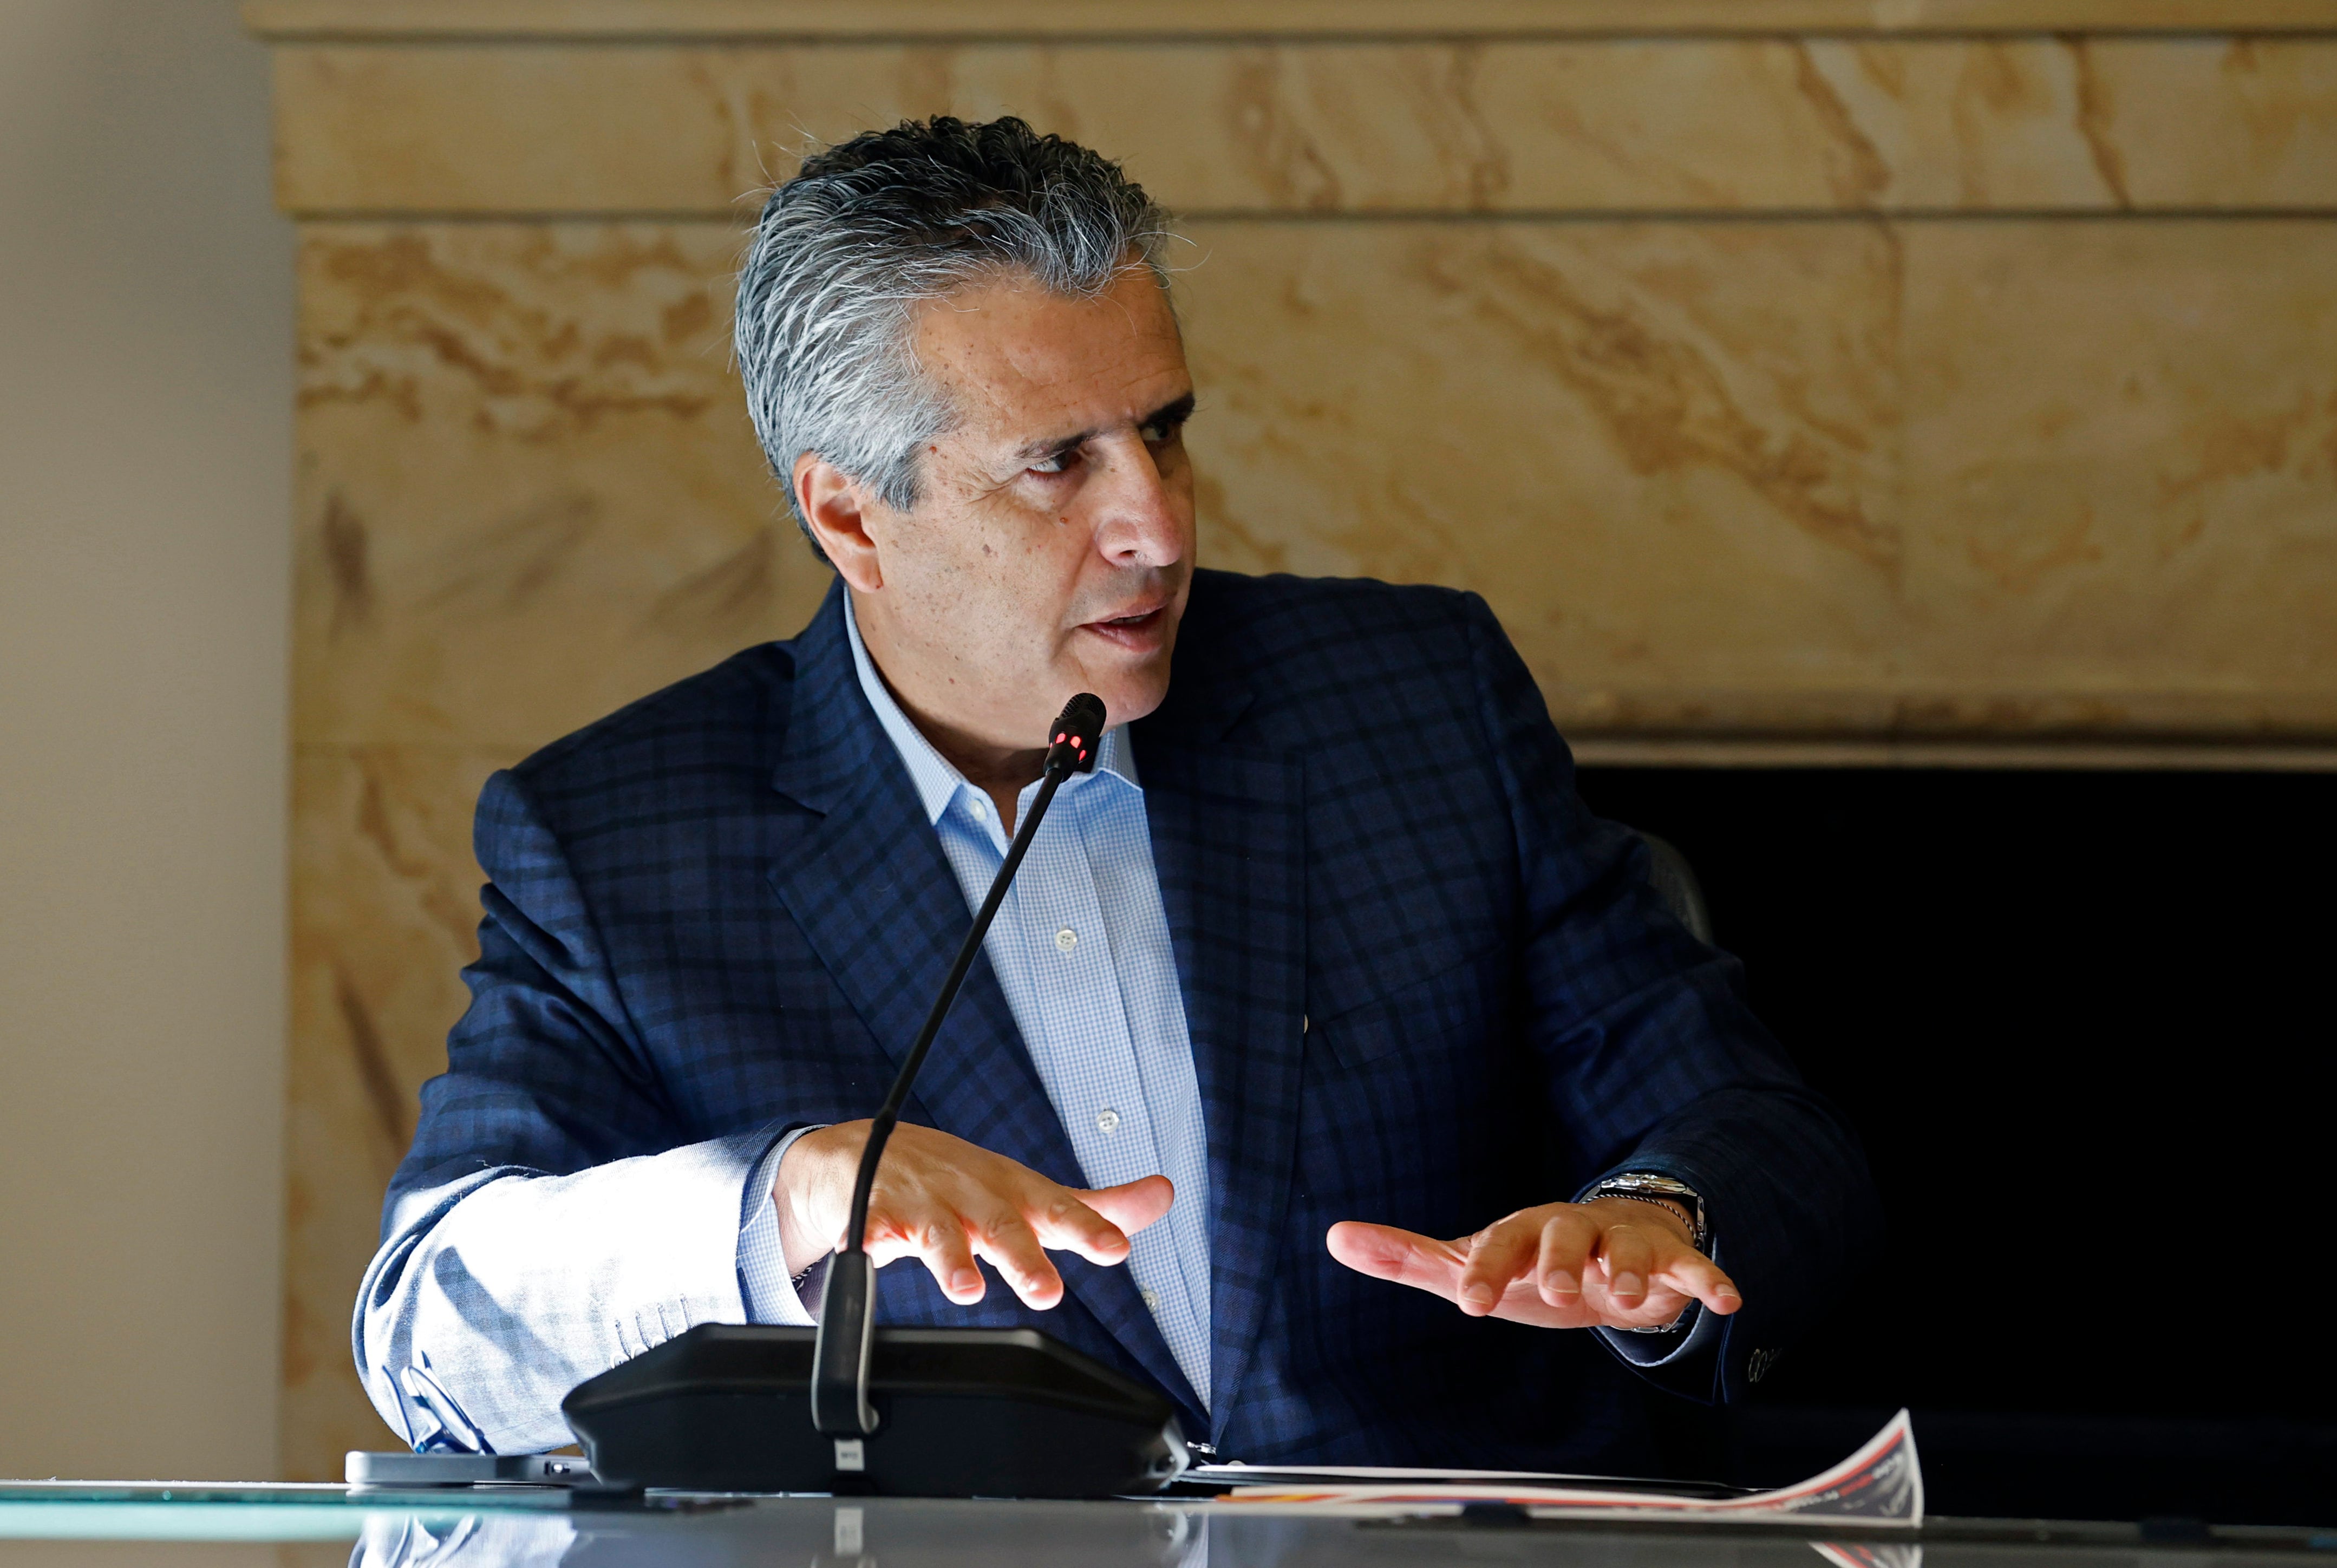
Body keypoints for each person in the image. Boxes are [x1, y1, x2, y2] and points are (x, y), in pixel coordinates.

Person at [356, 116, 1881, 1471]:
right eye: (1057, 464)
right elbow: (430, 1328)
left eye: (1162, 431)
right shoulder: (621, 834)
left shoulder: (1411, 701)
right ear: (848, 514)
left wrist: (1660, 1218)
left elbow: (1754, 1122)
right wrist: (783, 1199)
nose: (1154, 523)